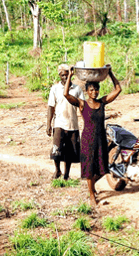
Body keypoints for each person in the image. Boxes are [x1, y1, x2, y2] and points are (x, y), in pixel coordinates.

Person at [62, 69, 126, 206]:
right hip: (88, 140)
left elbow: (118, 89)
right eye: (91, 90)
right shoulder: (82, 104)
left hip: (101, 139)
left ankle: (91, 186)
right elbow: (66, 94)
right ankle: (92, 195)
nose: (94, 92)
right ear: (86, 91)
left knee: (103, 168)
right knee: (89, 167)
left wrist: (110, 73)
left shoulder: (102, 102)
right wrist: (70, 75)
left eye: (96, 90)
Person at [44, 64, 81, 180]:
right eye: (63, 75)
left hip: (72, 123)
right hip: (59, 123)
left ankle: (66, 174)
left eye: (67, 75)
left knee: (70, 151)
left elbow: (82, 105)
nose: (65, 78)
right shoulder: (55, 89)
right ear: (59, 76)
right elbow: (51, 107)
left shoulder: (77, 89)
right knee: (56, 149)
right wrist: (48, 124)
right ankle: (57, 170)